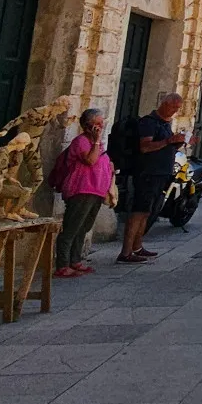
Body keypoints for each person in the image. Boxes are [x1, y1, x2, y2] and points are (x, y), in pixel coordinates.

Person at [121, 93, 186, 264]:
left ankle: (138, 246)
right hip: (147, 173)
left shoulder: (164, 124)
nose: (174, 111)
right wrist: (169, 141)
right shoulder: (149, 123)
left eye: (177, 108)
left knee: (147, 211)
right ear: (164, 104)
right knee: (138, 211)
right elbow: (145, 147)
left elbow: (166, 144)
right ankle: (126, 252)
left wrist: (178, 142)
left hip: (159, 173)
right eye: (173, 107)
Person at [53, 107, 112, 278]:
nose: (102, 126)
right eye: (99, 123)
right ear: (89, 125)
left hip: (95, 191)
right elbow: (91, 160)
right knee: (72, 227)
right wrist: (96, 141)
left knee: (84, 227)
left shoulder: (97, 144)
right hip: (81, 190)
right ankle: (62, 264)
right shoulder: (82, 142)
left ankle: (75, 260)